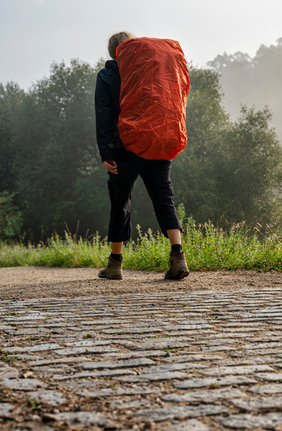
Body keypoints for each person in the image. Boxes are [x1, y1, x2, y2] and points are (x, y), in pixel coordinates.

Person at [95, 32, 189, 280]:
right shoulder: (153, 68)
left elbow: (104, 113)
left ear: (113, 52)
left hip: (124, 146)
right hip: (159, 140)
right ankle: (178, 256)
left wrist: (105, 151)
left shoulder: (108, 74)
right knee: (163, 197)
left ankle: (115, 264)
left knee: (120, 201)